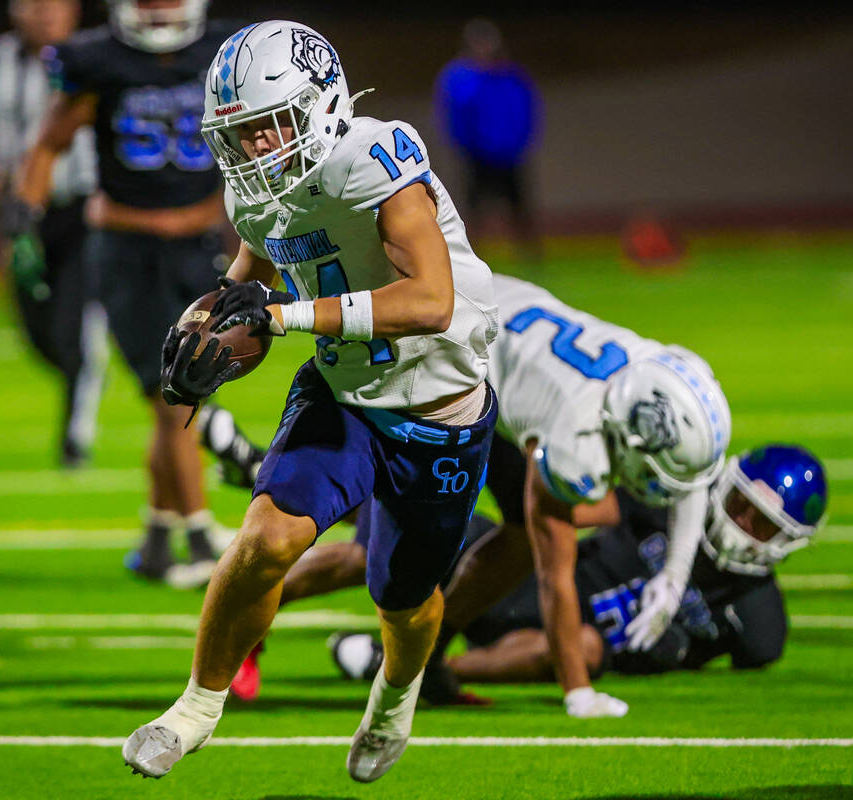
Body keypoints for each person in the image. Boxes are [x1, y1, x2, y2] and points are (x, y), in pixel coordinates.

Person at [121, 20, 500, 783]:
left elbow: (430, 300)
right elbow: (248, 291)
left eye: (269, 125)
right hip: (347, 390)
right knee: (265, 539)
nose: (256, 148)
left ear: (319, 104)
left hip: (440, 406)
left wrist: (284, 317)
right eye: (240, 133)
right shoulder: (252, 191)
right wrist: (205, 332)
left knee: (404, 599)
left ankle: (394, 698)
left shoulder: (372, 158)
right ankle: (194, 708)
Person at [227, 274, 730, 718]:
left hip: (508, 357)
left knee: (514, 542)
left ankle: (430, 658)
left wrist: (674, 573)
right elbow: (555, 566)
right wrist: (578, 691)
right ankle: (246, 630)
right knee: (379, 551)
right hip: (444, 362)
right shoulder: (576, 437)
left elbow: (691, 471)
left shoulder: (660, 376)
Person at [8, 0, 260, 583]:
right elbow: (49, 143)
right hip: (127, 251)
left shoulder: (223, 55)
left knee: (177, 396)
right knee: (171, 396)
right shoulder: (99, 61)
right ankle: (199, 537)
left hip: (198, 246)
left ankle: (156, 538)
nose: (158, 9)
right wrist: (24, 219)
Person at [331, 445, 828, 688]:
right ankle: (300, 495)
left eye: (760, 523)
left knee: (584, 647)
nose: (739, 524)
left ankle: (401, 666)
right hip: (528, 578)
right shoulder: (674, 508)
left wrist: (671, 654)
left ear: (786, 541)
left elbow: (700, 662)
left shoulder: (760, 624)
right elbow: (561, 511)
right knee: (426, 517)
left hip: (571, 639)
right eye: (741, 504)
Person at [0, 0, 106, 468]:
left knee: (75, 326)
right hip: (21, 214)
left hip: (82, 207)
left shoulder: (96, 56)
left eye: (53, 4)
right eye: (35, 4)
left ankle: (75, 437)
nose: (44, 14)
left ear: (74, 10)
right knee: (38, 331)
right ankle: (81, 370)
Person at [434, 18, 542, 262]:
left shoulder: (512, 76)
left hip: (510, 154)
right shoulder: (459, 77)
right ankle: (470, 257)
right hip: (476, 155)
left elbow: (527, 109)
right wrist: (465, 145)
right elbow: (452, 115)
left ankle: (531, 257)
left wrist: (522, 142)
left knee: (520, 208)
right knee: (474, 210)